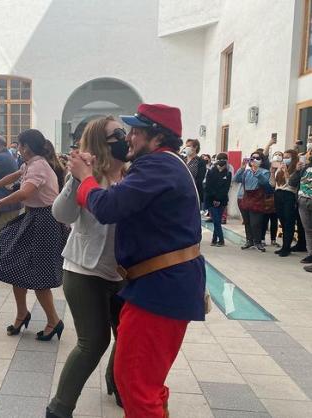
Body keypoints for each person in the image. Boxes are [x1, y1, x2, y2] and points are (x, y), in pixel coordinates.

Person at [66, 103, 205, 418]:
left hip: (159, 290)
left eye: (136, 132)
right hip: (163, 287)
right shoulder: (166, 165)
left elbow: (108, 208)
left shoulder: (157, 166)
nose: (128, 138)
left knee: (134, 385)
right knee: (146, 382)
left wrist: (85, 178)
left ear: (156, 138)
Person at [47, 116, 125, 418]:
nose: (124, 137)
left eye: (124, 132)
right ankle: (58, 408)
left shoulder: (132, 175)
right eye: (116, 133)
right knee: (93, 342)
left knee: (127, 336)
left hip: (124, 273)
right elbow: (62, 215)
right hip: (84, 271)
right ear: (99, 142)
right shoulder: (87, 176)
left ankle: (116, 380)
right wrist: (77, 179)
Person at [0, 129, 69, 341]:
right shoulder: (31, 163)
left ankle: (54, 321)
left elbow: (26, 192)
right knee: (13, 265)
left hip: (45, 222)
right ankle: (22, 313)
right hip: (34, 219)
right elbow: (17, 174)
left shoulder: (39, 165)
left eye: (18, 145)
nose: (17, 149)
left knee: (39, 277)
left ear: (26, 147)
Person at [234, 151, 270, 252]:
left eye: (257, 158)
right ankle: (249, 240)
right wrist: (242, 167)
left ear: (262, 161)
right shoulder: (246, 171)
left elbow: (264, 182)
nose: (254, 160)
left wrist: (256, 171)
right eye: (253, 157)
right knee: (247, 222)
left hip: (257, 198)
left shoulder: (264, 172)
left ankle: (258, 242)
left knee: (256, 223)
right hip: (246, 198)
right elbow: (236, 179)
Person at [270, 150, 298, 257]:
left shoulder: (295, 169)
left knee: (288, 221)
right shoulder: (279, 168)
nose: (285, 159)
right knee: (282, 220)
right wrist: (273, 172)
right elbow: (273, 183)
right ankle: (284, 246)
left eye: (288, 157)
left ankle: (287, 247)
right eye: (284, 157)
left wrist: (286, 172)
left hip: (289, 195)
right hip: (278, 194)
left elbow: (291, 185)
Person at [204, 153, 232, 247]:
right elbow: (208, 186)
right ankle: (221, 239)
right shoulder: (211, 172)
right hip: (211, 200)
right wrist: (215, 198)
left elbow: (226, 188)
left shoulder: (228, 173)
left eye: (224, 159)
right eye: (220, 159)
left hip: (222, 200)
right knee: (216, 220)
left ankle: (214, 238)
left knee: (218, 220)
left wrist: (219, 199)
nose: (222, 161)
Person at [182, 139, 207, 206]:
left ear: (195, 147)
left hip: (193, 193)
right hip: (181, 192)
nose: (186, 148)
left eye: (189, 146)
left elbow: (199, 179)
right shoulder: (182, 160)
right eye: (186, 146)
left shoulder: (200, 162)